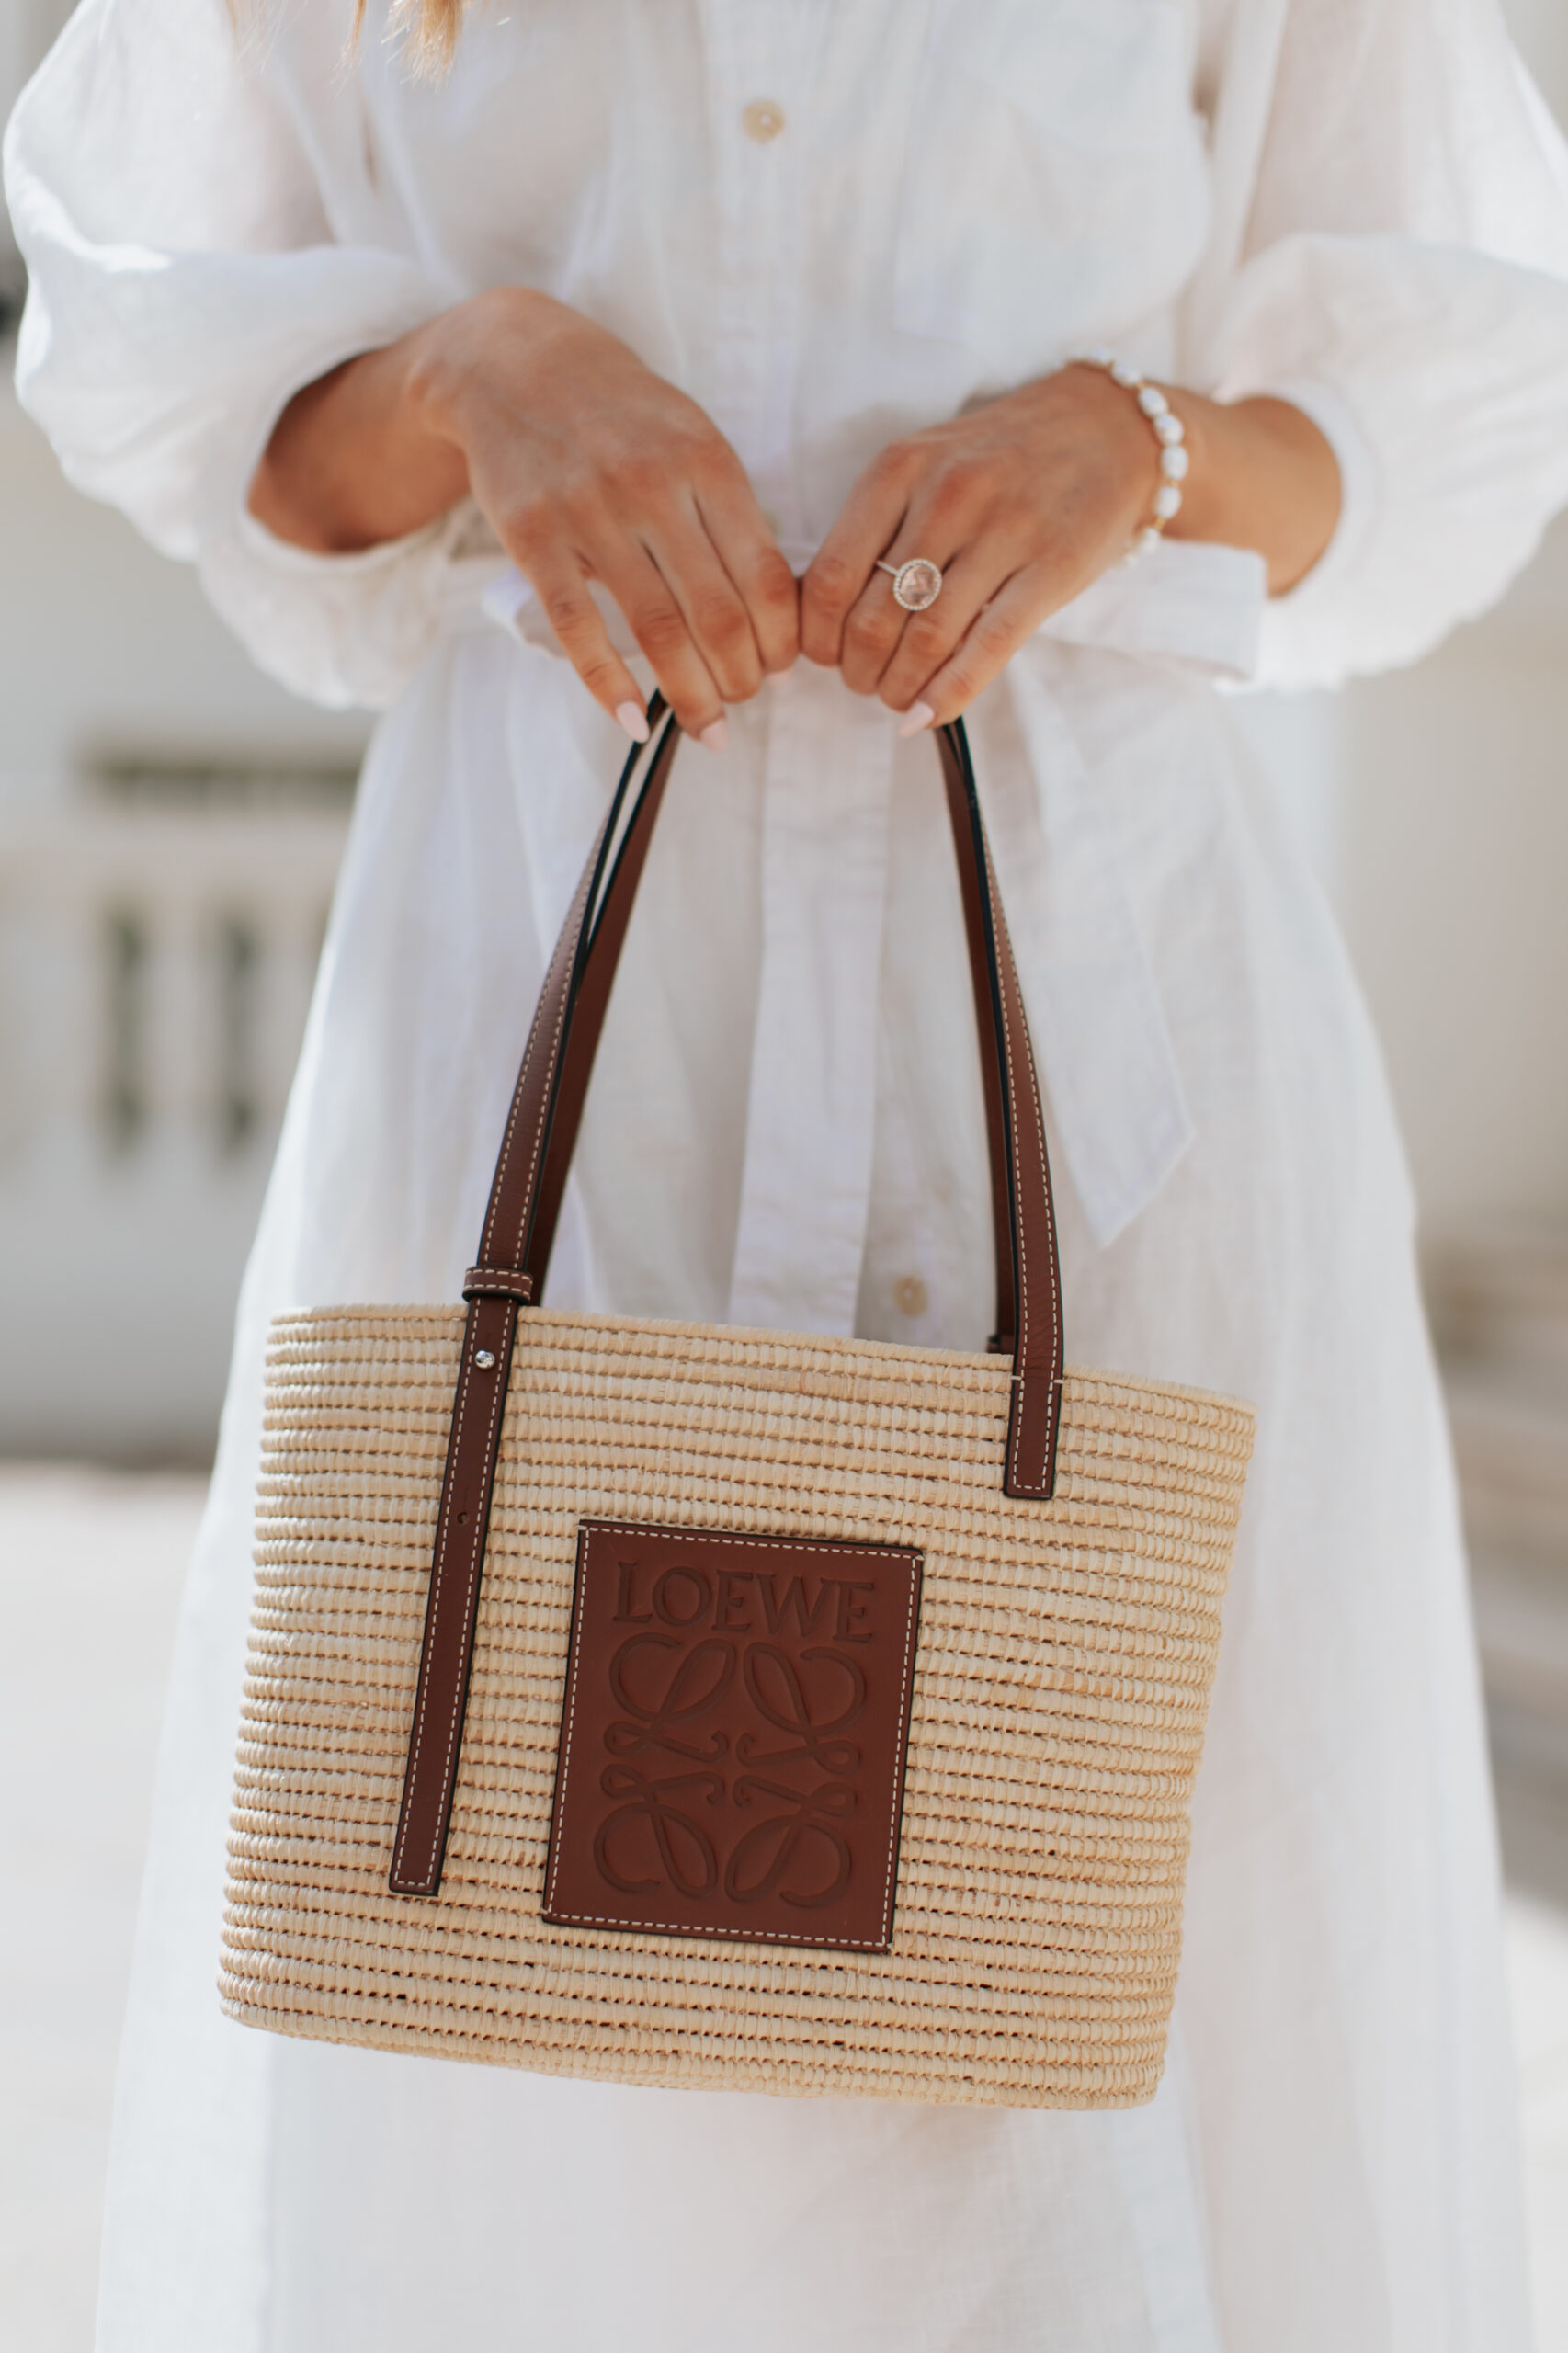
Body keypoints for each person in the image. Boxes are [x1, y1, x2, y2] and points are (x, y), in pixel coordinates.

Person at [8, 0, 1568, 2345]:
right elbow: (169, 367)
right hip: (551, 1051)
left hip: (1098, 1065)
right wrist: (470, 376)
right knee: (527, 2091)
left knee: (1135, 2045)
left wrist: (1135, 445)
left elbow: (1438, 420)